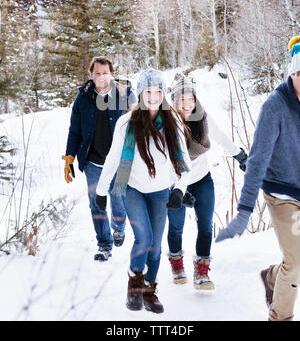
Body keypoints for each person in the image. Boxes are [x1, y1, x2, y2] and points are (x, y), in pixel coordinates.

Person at [216, 35, 300, 321]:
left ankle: (272, 278)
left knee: (295, 262)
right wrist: (244, 211)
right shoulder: (275, 107)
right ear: (293, 73)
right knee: (297, 262)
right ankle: (280, 317)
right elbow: (257, 161)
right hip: (282, 193)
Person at [95, 68, 191, 314]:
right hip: (132, 187)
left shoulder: (172, 121)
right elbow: (114, 158)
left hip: (159, 191)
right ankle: (134, 284)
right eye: (148, 91)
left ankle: (149, 290)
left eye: (158, 91)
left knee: (156, 247)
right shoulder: (126, 122)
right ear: (140, 93)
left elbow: (183, 161)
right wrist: (102, 191)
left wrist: (179, 189)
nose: (153, 96)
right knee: (144, 237)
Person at [167, 77, 247, 290]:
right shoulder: (166, 123)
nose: (186, 103)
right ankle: (176, 264)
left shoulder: (202, 117)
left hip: (202, 179)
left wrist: (239, 156)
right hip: (175, 184)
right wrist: (178, 189)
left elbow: (221, 137)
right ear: (174, 101)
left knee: (205, 224)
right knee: (176, 227)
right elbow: (164, 159)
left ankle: (202, 270)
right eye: (181, 99)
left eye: (190, 98)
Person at [62, 56, 137, 262]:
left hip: (121, 160)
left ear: (111, 74)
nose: (101, 77)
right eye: (97, 73)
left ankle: (119, 226)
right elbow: (74, 130)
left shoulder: (125, 95)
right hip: (93, 161)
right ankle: (104, 244)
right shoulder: (83, 98)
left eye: (105, 73)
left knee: (119, 198)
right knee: (97, 203)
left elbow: (138, 127)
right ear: (91, 75)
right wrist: (69, 156)